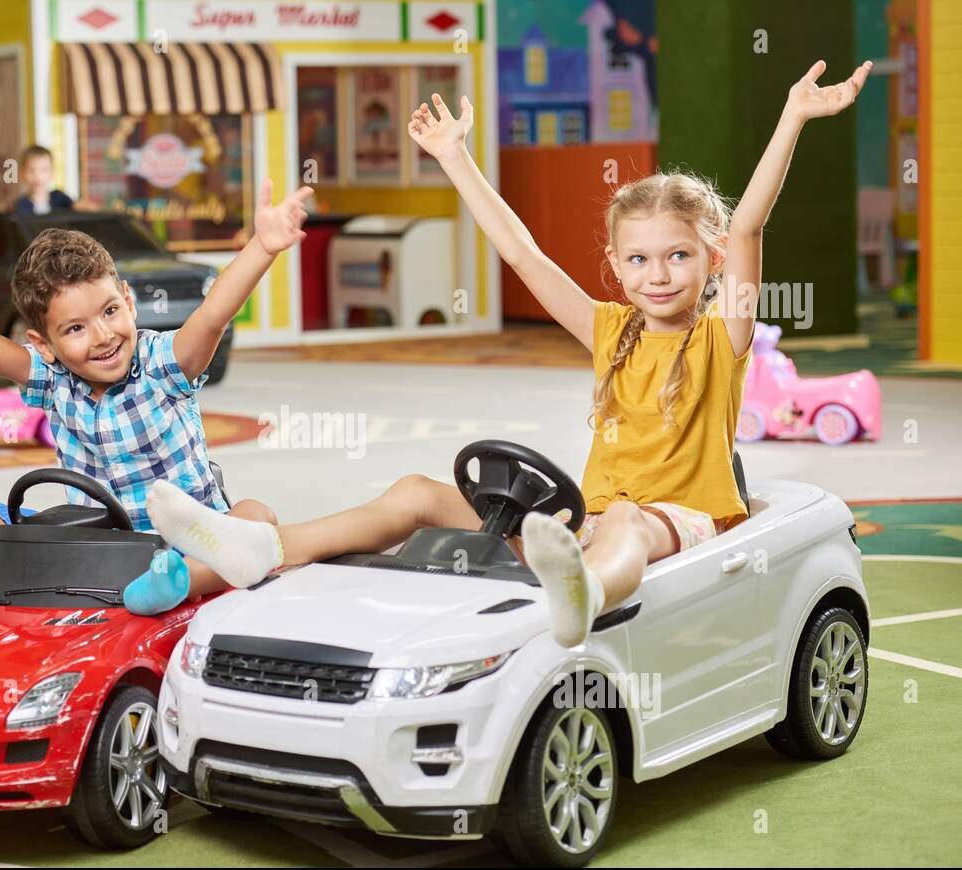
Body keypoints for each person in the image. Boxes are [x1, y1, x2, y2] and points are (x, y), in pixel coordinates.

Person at [141, 59, 874, 647]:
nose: (658, 275)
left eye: (678, 256)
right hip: (584, 523)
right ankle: (263, 548)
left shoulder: (725, 336)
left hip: (676, 525)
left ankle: (584, 593)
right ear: (617, 266)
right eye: (640, 259)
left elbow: (746, 226)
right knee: (415, 492)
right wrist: (456, 158)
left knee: (622, 525)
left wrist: (792, 117)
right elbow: (521, 254)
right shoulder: (609, 330)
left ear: (710, 262)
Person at [0, 179, 314, 616]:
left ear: (129, 300)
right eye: (75, 328)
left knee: (255, 513)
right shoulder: (51, 379)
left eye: (111, 312)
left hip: (188, 541)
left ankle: (179, 582)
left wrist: (261, 248)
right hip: (92, 550)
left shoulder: (164, 364)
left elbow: (212, 314)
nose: (102, 336)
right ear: (43, 344)